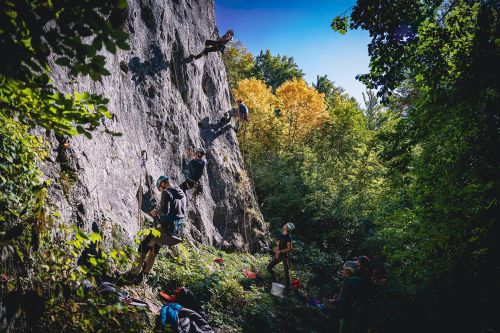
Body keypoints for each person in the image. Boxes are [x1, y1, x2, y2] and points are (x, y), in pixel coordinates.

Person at [127, 175, 187, 284]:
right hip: (174, 232)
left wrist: (154, 212)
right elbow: (179, 213)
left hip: (163, 229)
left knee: (144, 244)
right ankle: (142, 277)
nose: (160, 191)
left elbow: (163, 212)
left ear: (162, 184)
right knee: (154, 249)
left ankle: (132, 274)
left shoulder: (166, 192)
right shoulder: (182, 194)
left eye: (160, 188)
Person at [332, 261, 364, 333]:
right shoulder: (355, 281)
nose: (342, 271)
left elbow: (346, 302)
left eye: (343, 269)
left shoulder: (350, 283)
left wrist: (334, 301)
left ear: (348, 271)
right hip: (352, 314)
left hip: (347, 315)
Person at [267, 222, 295, 290]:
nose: (284, 225)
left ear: (287, 228)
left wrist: (280, 251)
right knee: (269, 267)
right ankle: (275, 281)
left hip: (286, 257)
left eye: (285, 225)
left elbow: (289, 249)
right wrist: (276, 252)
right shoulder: (281, 234)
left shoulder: (288, 237)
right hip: (279, 255)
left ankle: (288, 288)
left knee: (286, 273)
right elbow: (278, 245)